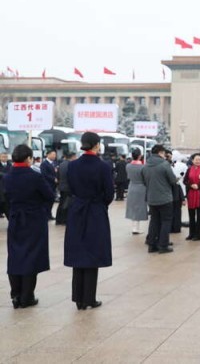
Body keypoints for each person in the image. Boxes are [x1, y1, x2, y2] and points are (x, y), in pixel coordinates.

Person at [64, 132, 114, 310]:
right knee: (93, 254)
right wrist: (100, 204)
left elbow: (69, 188)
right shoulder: (103, 166)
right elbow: (109, 193)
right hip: (95, 211)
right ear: (97, 145)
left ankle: (78, 298)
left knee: (78, 253)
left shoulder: (72, 165)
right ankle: (89, 298)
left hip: (77, 210)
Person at [4, 144, 55, 308]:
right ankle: (27, 296)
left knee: (15, 255)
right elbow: (50, 195)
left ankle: (15, 295)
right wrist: (41, 209)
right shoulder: (35, 177)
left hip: (15, 219)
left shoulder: (7, 177)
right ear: (28, 158)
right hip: (34, 220)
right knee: (31, 256)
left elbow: (5, 199)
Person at [142, 144, 177, 254]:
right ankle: (163, 245)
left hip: (151, 198)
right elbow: (173, 180)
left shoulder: (146, 165)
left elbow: (144, 181)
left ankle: (152, 245)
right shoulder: (164, 164)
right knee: (166, 221)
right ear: (161, 153)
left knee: (154, 221)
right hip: (165, 198)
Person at [183, 153, 200, 241]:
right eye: (196, 159)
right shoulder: (189, 169)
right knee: (191, 215)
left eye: (199, 159)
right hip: (191, 194)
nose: (198, 161)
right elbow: (185, 181)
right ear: (192, 160)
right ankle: (191, 233)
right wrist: (191, 185)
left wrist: (198, 186)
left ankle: (198, 235)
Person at [125, 148, 147, 235]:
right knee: (139, 207)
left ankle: (134, 227)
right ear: (140, 156)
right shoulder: (143, 167)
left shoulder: (128, 166)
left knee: (133, 207)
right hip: (141, 188)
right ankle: (136, 228)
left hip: (131, 186)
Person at [55, 152, 75, 226]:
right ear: (72, 157)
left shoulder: (61, 164)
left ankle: (58, 219)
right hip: (68, 187)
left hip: (61, 186)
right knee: (66, 204)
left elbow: (58, 176)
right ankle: (64, 220)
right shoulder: (71, 165)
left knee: (61, 203)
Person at [40, 149, 57, 219]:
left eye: (55, 155)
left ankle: (49, 214)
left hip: (54, 185)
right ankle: (45, 215)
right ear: (48, 155)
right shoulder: (44, 164)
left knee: (52, 200)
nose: (54, 156)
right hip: (48, 185)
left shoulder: (54, 163)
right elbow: (44, 174)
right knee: (47, 201)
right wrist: (53, 179)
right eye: (53, 154)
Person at [0, 152, 13, 218]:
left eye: (6, 157)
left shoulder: (10, 164)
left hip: (7, 185)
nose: (4, 158)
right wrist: (4, 175)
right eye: (3, 157)